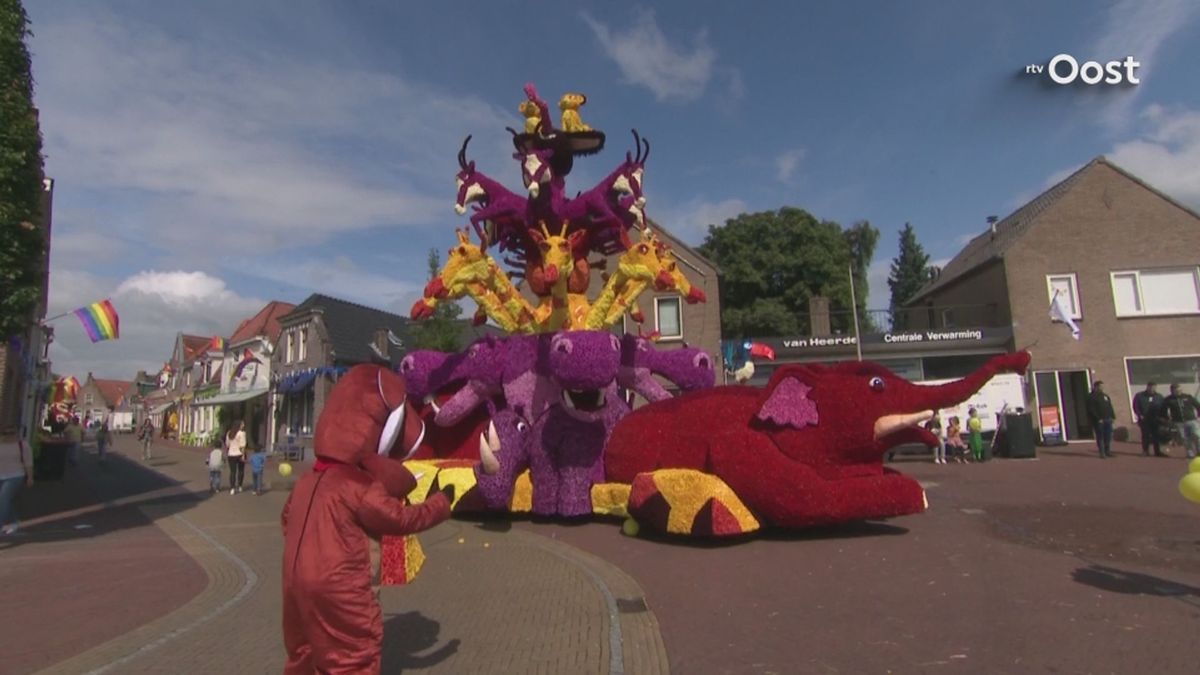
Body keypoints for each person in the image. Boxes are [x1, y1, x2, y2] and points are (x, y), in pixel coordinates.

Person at [282, 364, 448, 674]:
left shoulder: (307, 481)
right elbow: (399, 519)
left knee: (303, 655)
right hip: (340, 586)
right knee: (352, 657)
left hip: (294, 583)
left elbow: (286, 520)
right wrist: (441, 503)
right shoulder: (356, 485)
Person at [0, 428, 32, 536]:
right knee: (7, 501)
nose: (8, 436)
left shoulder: (22, 445)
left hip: (15, 475)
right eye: (5, 433)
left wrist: (30, 477)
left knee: (3, 499)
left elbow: (28, 462)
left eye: (11, 433)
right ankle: (14, 522)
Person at [1162, 383, 1200, 459]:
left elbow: (1198, 406)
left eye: (1179, 390)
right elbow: (1163, 411)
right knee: (1185, 438)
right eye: (1176, 390)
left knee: (1196, 435)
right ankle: (1190, 453)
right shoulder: (1168, 400)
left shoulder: (1188, 397)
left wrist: (1198, 416)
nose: (1178, 391)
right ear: (1172, 391)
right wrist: (1167, 419)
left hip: (1191, 420)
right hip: (1179, 422)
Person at [1133, 382, 1167, 457]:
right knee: (1145, 435)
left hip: (1156, 419)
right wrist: (1139, 415)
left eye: (1154, 387)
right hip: (1145, 419)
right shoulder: (1140, 396)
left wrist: (1163, 417)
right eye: (1150, 387)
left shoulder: (1159, 396)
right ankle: (1145, 451)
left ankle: (1157, 451)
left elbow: (1164, 407)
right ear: (1147, 387)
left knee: (1156, 435)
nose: (1152, 389)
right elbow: (1136, 406)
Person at [1086, 380, 1116, 458]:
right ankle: (1102, 452)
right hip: (1099, 421)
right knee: (1100, 436)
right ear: (1096, 387)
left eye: (1103, 386)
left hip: (1108, 419)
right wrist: (1098, 418)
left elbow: (1110, 406)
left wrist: (1113, 416)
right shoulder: (1091, 397)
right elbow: (1091, 409)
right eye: (1100, 386)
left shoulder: (1105, 396)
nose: (1102, 388)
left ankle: (1107, 451)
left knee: (1108, 436)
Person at [226, 421, 248, 494]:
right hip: (239, 454)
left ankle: (232, 488)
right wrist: (243, 455)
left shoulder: (229, 433)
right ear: (239, 425)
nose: (243, 425)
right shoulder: (242, 433)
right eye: (242, 424)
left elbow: (227, 444)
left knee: (232, 472)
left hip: (231, 454)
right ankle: (239, 486)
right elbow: (242, 446)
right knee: (241, 470)